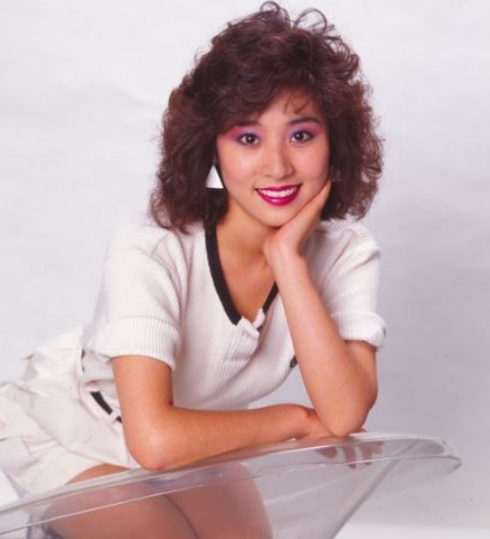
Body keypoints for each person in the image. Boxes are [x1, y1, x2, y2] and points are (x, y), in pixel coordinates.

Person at [0, 2, 386, 537]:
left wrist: (287, 259)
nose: (278, 165)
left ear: (334, 142)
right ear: (212, 149)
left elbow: (343, 414)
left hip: (198, 436)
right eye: (248, 138)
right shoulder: (152, 247)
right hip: (74, 427)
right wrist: (295, 420)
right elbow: (153, 441)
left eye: (301, 135)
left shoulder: (346, 252)